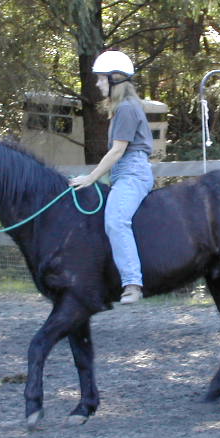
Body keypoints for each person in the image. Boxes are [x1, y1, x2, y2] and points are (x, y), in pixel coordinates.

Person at [69, 50, 154, 304]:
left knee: (116, 222)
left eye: (101, 78)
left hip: (132, 172)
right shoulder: (122, 109)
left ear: (115, 79)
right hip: (122, 172)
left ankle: (132, 284)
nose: (97, 84)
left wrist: (91, 178)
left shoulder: (126, 109)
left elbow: (117, 151)